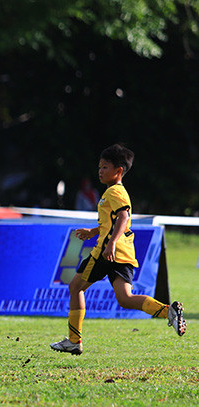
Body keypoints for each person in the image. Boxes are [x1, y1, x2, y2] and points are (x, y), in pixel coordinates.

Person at [50, 144, 186, 354]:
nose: (100, 171)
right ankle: (168, 312)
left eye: (105, 167)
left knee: (76, 287)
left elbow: (124, 217)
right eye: (99, 167)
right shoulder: (114, 192)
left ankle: (74, 341)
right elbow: (114, 221)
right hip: (123, 252)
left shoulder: (114, 191)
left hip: (106, 251)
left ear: (118, 171)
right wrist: (94, 231)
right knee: (125, 298)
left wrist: (111, 243)